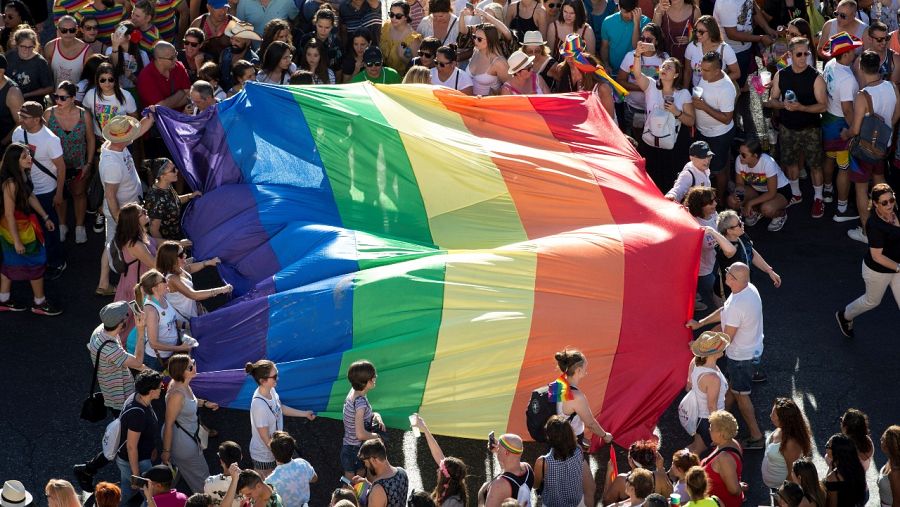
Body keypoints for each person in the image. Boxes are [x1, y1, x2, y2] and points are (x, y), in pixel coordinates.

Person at [686, 262, 765, 449]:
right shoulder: (746, 289)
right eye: (728, 271)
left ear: (739, 281)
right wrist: (701, 323)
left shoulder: (739, 304)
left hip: (741, 358)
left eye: (730, 275)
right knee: (733, 386)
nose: (726, 275)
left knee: (741, 395)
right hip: (752, 349)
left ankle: (756, 436)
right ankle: (724, 412)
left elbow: (725, 337)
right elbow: (725, 311)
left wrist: (699, 347)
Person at [73, 301, 148, 490]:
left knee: (126, 436)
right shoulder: (110, 349)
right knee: (119, 440)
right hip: (119, 398)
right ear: (121, 324)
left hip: (112, 391)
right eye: (126, 317)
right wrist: (140, 331)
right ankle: (88, 469)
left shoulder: (100, 331)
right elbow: (138, 362)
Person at [764, 36, 827, 216]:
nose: (803, 57)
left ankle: (818, 198)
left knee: (815, 165)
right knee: (790, 163)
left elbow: (823, 105)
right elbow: (773, 99)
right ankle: (796, 194)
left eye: (806, 53)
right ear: (790, 55)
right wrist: (782, 105)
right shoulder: (781, 75)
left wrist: (802, 108)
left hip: (810, 128)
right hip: (787, 127)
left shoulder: (816, 77)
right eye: (798, 54)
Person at [842, 51, 900, 244]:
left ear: (860, 67)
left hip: (864, 152)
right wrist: (886, 131)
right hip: (884, 148)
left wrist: (845, 134)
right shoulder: (892, 86)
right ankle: (890, 222)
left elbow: (856, 129)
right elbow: (897, 113)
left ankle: (867, 234)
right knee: (881, 183)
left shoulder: (863, 95)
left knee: (861, 190)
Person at [0, 143, 61, 315]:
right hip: (17, 229)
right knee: (36, 262)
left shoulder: (22, 174)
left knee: (9, 263)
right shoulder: (11, 183)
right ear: (15, 162)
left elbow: (30, 195)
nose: (29, 158)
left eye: (28, 154)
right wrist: (18, 241)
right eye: (24, 156)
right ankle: (39, 303)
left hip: (19, 227)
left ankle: (3, 300)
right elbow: (9, 214)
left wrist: (45, 216)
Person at [11, 101, 67, 278]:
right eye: (20, 115)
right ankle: (36, 260)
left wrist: (58, 194)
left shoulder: (50, 139)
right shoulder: (18, 132)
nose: (20, 119)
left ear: (36, 119)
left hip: (45, 191)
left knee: (49, 228)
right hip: (24, 189)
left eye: (25, 117)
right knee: (30, 227)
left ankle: (56, 262)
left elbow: (61, 168)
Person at [630, 43, 693, 190]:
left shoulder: (683, 94)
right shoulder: (651, 86)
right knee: (651, 180)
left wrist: (676, 111)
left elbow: (690, 121)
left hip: (673, 146)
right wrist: (637, 55)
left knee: (670, 182)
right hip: (651, 143)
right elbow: (637, 74)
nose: (664, 69)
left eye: (669, 67)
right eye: (663, 66)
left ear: (676, 74)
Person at [712, 0, 774, 136]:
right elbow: (732, 34)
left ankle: (746, 130)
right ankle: (731, 133)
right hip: (730, 54)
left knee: (744, 91)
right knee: (731, 95)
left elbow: (754, 9)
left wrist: (768, 30)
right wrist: (760, 38)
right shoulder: (726, 3)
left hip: (746, 49)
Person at [245, 359, 316, 478]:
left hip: (276, 450)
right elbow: (265, 438)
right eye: (274, 376)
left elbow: (279, 408)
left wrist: (304, 414)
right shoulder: (259, 406)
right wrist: (281, 457)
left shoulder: (271, 390)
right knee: (267, 487)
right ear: (263, 381)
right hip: (265, 456)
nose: (277, 378)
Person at [44, 80, 95, 245]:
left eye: (63, 98)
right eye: (56, 97)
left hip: (78, 163)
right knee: (61, 195)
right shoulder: (48, 114)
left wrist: (88, 163)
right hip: (56, 165)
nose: (58, 101)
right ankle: (62, 225)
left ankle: (79, 227)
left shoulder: (84, 114)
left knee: (79, 194)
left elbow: (90, 139)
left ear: (73, 98)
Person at [821, 32, 861, 223]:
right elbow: (847, 110)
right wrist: (855, 128)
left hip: (828, 119)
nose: (855, 51)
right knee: (844, 167)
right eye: (852, 49)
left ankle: (827, 191)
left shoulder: (830, 64)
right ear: (845, 54)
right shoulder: (848, 80)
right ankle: (842, 208)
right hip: (840, 125)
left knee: (829, 158)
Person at [161, 355, 214, 494]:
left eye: (194, 363)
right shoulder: (177, 394)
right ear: (181, 372)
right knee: (203, 479)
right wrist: (166, 451)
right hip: (184, 443)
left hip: (186, 436)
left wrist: (205, 403)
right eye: (190, 367)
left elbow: (190, 402)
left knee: (181, 471)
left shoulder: (181, 383)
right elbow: (168, 424)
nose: (194, 367)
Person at [692, 51, 735, 205]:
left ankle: (721, 200)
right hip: (703, 132)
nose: (701, 73)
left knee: (718, 170)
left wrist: (704, 107)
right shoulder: (707, 76)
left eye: (706, 70)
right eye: (701, 69)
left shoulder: (726, 89)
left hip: (719, 136)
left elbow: (727, 118)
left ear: (717, 71)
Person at [115, 369, 163, 507]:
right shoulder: (138, 414)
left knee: (127, 490)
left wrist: (152, 448)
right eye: (160, 387)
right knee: (151, 496)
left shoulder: (138, 397)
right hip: (137, 461)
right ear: (151, 391)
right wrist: (136, 476)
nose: (162, 389)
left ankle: (109, 503)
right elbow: (131, 446)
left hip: (137, 456)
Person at [156, 240, 231, 328]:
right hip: (184, 323)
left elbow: (189, 268)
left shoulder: (179, 269)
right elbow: (194, 295)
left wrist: (207, 263)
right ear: (171, 259)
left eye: (183, 252)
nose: (185, 255)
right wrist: (222, 289)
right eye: (181, 255)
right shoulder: (172, 279)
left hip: (192, 315)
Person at [551, 349, 614, 448]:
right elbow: (590, 424)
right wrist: (605, 436)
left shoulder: (556, 384)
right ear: (578, 370)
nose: (586, 370)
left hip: (555, 435)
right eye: (585, 367)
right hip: (570, 439)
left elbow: (557, 412)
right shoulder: (576, 396)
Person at [713, 209, 782, 297]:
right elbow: (731, 251)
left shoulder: (741, 236)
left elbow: (750, 251)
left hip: (743, 288)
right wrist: (712, 232)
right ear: (729, 231)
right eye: (738, 224)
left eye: (740, 220)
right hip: (728, 295)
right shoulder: (724, 248)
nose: (742, 224)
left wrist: (769, 270)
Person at [136, 269, 194, 372]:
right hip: (157, 360)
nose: (167, 281)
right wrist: (180, 348)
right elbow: (153, 343)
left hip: (170, 353)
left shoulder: (163, 298)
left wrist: (189, 325)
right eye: (163, 280)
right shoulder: (151, 311)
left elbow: (171, 321)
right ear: (155, 288)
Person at [729, 138, 791, 232]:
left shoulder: (768, 162)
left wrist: (749, 203)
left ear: (755, 155)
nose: (740, 157)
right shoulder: (739, 160)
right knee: (732, 201)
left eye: (744, 155)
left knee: (767, 209)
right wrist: (739, 195)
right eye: (740, 153)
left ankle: (781, 214)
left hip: (779, 191)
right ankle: (757, 211)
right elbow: (739, 183)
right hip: (756, 189)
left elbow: (771, 193)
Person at [534, 415, 594, 507]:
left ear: (549, 436)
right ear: (570, 433)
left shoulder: (542, 462)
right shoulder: (579, 450)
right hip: (577, 502)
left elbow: (535, 486)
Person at [685, 331, 729, 455]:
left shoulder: (695, 362)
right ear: (713, 354)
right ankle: (677, 471)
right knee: (697, 451)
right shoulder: (712, 378)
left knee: (694, 448)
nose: (724, 348)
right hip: (707, 420)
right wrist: (717, 428)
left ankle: (675, 468)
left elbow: (689, 385)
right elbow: (712, 406)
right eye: (721, 347)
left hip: (698, 416)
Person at [412, 415, 468, 506]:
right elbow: (437, 453)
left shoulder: (452, 502)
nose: (437, 470)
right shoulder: (453, 485)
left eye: (440, 469)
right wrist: (424, 429)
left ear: (445, 476)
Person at [342, 360, 383, 478]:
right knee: (359, 475)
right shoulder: (360, 403)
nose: (375, 377)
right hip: (356, 449)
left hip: (347, 446)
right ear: (365, 382)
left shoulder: (354, 393)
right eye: (373, 377)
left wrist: (376, 415)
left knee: (348, 475)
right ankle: (358, 496)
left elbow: (357, 416)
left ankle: (347, 494)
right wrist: (377, 436)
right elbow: (360, 435)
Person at [762, 398, 813, 488]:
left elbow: (791, 474)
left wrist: (786, 493)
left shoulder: (791, 445)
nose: (770, 416)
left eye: (774, 414)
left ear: (784, 420)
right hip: (771, 476)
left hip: (780, 484)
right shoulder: (782, 428)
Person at [144, 158, 200, 240]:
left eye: (175, 167)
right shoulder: (156, 199)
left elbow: (173, 202)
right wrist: (170, 248)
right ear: (162, 176)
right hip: (168, 244)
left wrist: (190, 196)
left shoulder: (167, 186)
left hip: (176, 236)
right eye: (173, 170)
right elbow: (154, 231)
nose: (177, 171)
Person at [603, 440, 672, 503]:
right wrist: (660, 468)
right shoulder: (659, 477)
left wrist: (609, 473)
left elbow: (607, 501)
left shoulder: (621, 480)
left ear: (630, 460)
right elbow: (670, 496)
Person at [700, 410, 744, 507]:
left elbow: (734, 490)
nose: (709, 429)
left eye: (711, 428)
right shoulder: (732, 443)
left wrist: (740, 487)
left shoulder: (724, 458)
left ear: (720, 433)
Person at [682, 16, 739, 88]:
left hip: (717, 92)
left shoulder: (725, 49)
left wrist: (717, 82)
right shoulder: (692, 46)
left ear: (711, 31)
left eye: (701, 32)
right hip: (697, 91)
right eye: (696, 30)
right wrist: (685, 92)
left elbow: (736, 73)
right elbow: (688, 71)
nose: (697, 34)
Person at [266, 431, 318, 507]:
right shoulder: (302, 463)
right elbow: (314, 478)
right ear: (293, 449)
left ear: (273, 454)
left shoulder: (271, 480)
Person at [137, 41, 191, 113]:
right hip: (158, 120)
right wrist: (181, 92)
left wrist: (167, 104)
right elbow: (160, 107)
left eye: (176, 55)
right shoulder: (146, 76)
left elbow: (189, 94)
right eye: (171, 58)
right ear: (159, 60)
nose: (176, 59)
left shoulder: (178, 66)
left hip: (183, 114)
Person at [483, 434, 533, 507]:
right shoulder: (528, 469)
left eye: (498, 448)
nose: (497, 448)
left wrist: (480, 495)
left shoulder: (498, 485)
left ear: (506, 452)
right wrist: (498, 452)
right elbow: (510, 472)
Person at [7, 27, 54, 101]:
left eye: (30, 47)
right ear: (17, 45)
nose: (27, 50)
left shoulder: (40, 62)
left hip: (31, 104)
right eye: (23, 46)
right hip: (9, 100)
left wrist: (25, 95)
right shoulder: (10, 56)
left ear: (35, 45)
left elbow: (49, 88)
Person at [44, 15, 93, 86]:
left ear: (76, 29)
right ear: (58, 31)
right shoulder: (50, 47)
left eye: (72, 30)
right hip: (56, 95)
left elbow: (89, 79)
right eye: (64, 30)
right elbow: (46, 76)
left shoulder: (87, 51)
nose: (68, 33)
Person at [463, 23, 510, 95]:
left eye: (479, 39)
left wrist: (495, 94)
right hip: (469, 102)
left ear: (490, 40)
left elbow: (511, 87)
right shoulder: (475, 51)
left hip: (488, 104)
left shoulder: (499, 62)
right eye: (474, 37)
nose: (475, 41)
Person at [823, 433, 868, 507]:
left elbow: (832, 504)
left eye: (828, 446)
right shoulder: (858, 468)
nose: (825, 447)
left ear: (837, 452)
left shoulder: (833, 477)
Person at [106, 21, 150, 93]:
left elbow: (147, 81)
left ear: (128, 37)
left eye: (119, 34)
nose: (115, 36)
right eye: (115, 33)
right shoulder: (110, 50)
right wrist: (115, 47)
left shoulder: (142, 54)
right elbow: (111, 68)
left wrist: (131, 77)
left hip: (135, 91)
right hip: (117, 91)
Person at [380, 0, 423, 74]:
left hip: (401, 80)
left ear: (406, 17)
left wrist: (403, 57)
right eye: (391, 14)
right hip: (382, 74)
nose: (394, 18)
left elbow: (416, 68)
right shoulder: (386, 27)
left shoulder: (413, 39)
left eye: (398, 16)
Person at [652, 0, 700, 64]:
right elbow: (654, 32)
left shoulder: (695, 10)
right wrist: (658, 11)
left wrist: (691, 39)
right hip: (665, 61)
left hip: (687, 60)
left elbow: (701, 35)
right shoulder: (661, 8)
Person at [219, 22, 261, 92]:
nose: (233, 43)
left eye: (237, 41)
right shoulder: (225, 52)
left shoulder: (253, 60)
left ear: (247, 42)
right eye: (232, 39)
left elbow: (253, 86)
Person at [203, 441, 243, 507]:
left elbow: (208, 503)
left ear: (221, 461)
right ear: (241, 457)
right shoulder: (249, 481)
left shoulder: (209, 482)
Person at [0, 53, 25, 146]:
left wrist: (3, 143)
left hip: (5, 146)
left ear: (1, 72)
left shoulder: (13, 94)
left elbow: (21, 123)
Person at [878, 426, 900, 507]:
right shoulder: (893, 458)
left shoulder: (895, 473)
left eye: (883, 439)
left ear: (888, 447)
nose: (880, 439)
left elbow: (897, 503)